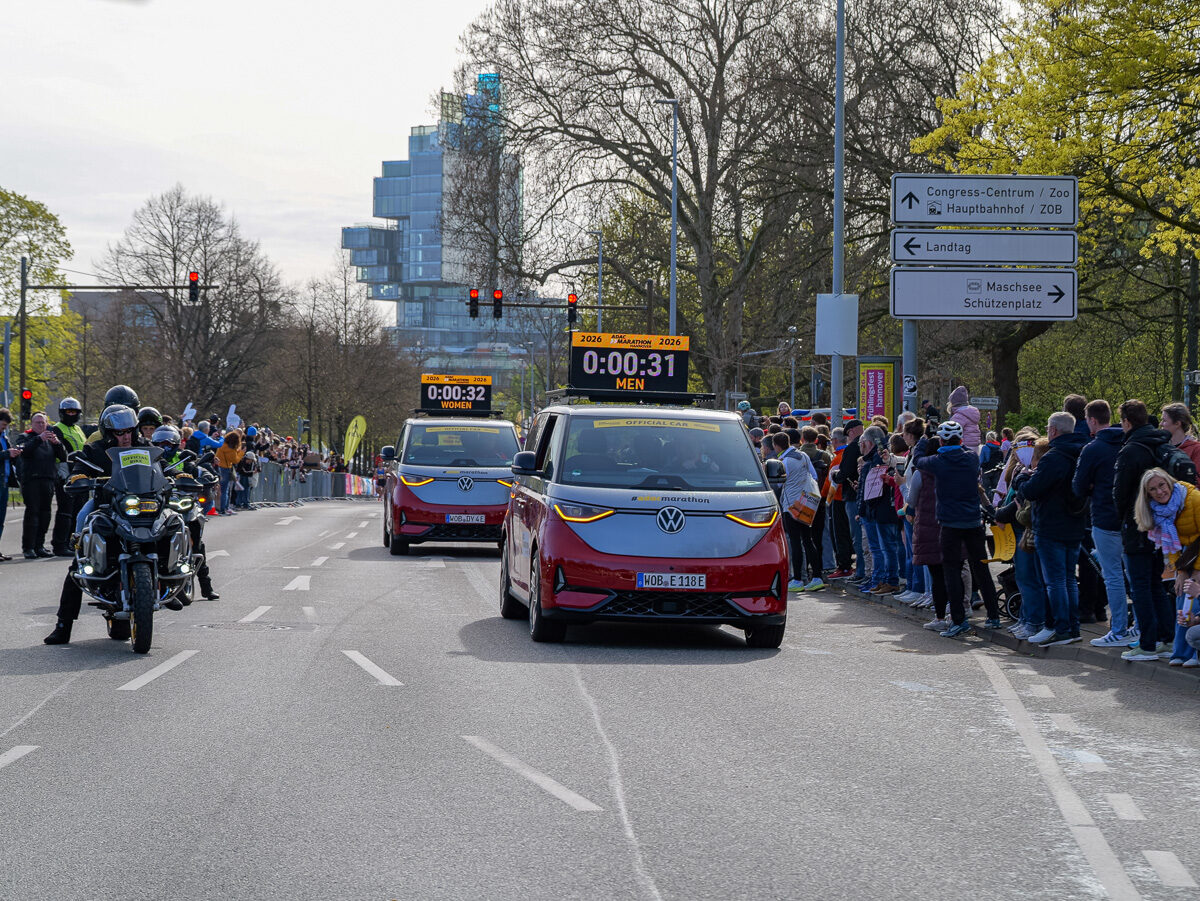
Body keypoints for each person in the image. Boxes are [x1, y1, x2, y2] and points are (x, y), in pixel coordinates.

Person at [44, 404, 169, 644]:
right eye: (120, 433)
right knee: (78, 555)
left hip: (144, 507)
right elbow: (80, 467)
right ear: (109, 432)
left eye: (129, 431)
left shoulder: (146, 447)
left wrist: (179, 474)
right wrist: (78, 476)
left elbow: (161, 468)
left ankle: (172, 575)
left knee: (173, 521)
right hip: (108, 505)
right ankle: (63, 624)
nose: (125, 437)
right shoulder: (96, 449)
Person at [913, 419, 1003, 636]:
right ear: (961, 439)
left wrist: (925, 439)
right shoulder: (971, 458)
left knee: (951, 571)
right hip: (973, 521)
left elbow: (918, 459)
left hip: (949, 523)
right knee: (981, 568)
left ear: (942, 440)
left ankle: (958, 621)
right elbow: (963, 449)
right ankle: (993, 616)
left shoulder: (937, 461)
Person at [1113, 399, 1177, 662]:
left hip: (1138, 525)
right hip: (1162, 527)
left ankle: (1147, 644)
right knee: (1156, 585)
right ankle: (1166, 639)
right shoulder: (1161, 444)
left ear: (1127, 422)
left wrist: (1120, 519)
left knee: (1140, 586)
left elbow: (1121, 493)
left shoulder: (1130, 451)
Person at [1018, 412, 1090, 646]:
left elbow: (1032, 490)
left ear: (1053, 430)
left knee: (1055, 581)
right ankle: (1072, 626)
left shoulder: (1053, 457)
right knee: (1069, 579)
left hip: (1050, 525)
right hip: (1075, 523)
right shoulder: (1083, 452)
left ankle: (1060, 628)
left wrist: (1022, 480)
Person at [1073, 399, 1135, 647]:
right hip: (1133, 519)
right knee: (1136, 576)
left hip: (1104, 518)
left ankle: (1118, 629)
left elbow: (1078, 486)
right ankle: (1138, 628)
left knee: (1114, 577)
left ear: (1091, 420)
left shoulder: (1093, 448)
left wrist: (1093, 486)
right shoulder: (1131, 442)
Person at [1133, 467, 1200, 665]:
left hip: (1197, 555)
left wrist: (1196, 571)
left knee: (1194, 600)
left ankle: (1194, 654)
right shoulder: (1158, 510)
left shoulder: (1194, 499)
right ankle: (1180, 653)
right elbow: (1170, 543)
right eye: (1153, 489)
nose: (1159, 492)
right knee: (1181, 598)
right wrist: (1179, 572)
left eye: (1162, 485)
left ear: (1169, 482)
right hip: (1186, 556)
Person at [152, 424, 220, 601]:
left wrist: (207, 476)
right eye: (159, 443)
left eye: (167, 443)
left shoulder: (183, 459)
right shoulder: (149, 461)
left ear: (175, 444)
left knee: (197, 544)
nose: (163, 447)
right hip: (160, 506)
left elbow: (199, 469)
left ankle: (206, 586)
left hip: (184, 504)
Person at [909, 435, 949, 630]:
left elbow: (911, 499)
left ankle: (940, 618)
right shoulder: (952, 468)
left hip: (928, 526)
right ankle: (957, 614)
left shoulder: (921, 472)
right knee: (952, 573)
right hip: (950, 524)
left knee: (937, 576)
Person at [15, 411, 68, 559]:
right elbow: (24, 451)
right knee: (33, 514)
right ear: (32, 424)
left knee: (46, 514)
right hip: (32, 480)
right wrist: (39, 439)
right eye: (37, 422)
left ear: (47, 424)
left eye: (43, 422)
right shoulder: (26, 437)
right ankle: (28, 547)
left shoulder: (50, 439)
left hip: (48, 479)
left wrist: (57, 444)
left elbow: (63, 456)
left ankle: (40, 546)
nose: (40, 425)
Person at [857, 426, 899, 594]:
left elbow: (873, 489)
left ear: (867, 442)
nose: (860, 447)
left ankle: (887, 580)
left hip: (880, 510)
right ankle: (882, 579)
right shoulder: (880, 456)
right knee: (883, 548)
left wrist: (866, 508)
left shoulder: (878, 458)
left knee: (884, 548)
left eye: (861, 443)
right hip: (880, 509)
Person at [775, 431, 818, 591]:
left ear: (776, 445)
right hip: (806, 502)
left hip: (791, 505)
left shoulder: (783, 461)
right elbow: (813, 475)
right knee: (808, 540)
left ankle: (798, 579)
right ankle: (817, 577)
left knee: (795, 542)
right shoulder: (803, 455)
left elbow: (779, 484)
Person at [50, 397, 87, 556]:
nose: (71, 414)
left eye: (74, 412)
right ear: (62, 413)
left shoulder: (78, 429)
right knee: (65, 510)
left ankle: (73, 543)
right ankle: (59, 544)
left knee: (79, 510)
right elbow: (60, 451)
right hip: (66, 472)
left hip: (81, 472)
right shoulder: (57, 428)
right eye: (68, 412)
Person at [796, 427, 831, 589]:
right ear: (817, 439)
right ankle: (819, 569)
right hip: (819, 498)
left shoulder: (798, 455)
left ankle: (805, 569)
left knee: (804, 538)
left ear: (802, 439)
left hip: (802, 500)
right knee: (817, 536)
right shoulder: (825, 455)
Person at [832, 419, 866, 582]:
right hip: (868, 494)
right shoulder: (871, 443)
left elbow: (843, 472)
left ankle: (861, 571)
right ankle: (865, 570)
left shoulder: (853, 447)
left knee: (858, 536)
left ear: (851, 431)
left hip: (853, 495)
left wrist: (835, 476)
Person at [825, 427, 854, 579]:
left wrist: (824, 498)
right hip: (844, 498)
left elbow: (829, 483)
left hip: (837, 499)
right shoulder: (844, 455)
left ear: (835, 441)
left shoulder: (838, 458)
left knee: (840, 534)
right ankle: (845, 565)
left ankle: (844, 566)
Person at [1161, 403, 1200, 470]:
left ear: (1177, 423)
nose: (1161, 424)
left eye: (1164, 420)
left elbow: (1197, 478)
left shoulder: (1196, 449)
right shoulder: (1160, 447)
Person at [214, 430, 244, 514]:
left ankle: (222, 508)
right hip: (226, 468)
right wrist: (241, 453)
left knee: (221, 490)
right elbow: (235, 460)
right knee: (225, 490)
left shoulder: (222, 445)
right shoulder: (231, 449)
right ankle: (224, 508)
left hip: (218, 466)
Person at [946, 386, 981, 451]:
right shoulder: (971, 413)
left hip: (964, 447)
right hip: (975, 446)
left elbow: (952, 433)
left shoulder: (958, 416)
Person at [0, 408, 14, 561]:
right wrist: (6, 454)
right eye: (3, 425)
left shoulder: (4, 437)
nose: (4, 428)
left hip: (4, 481)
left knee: (1, 519)